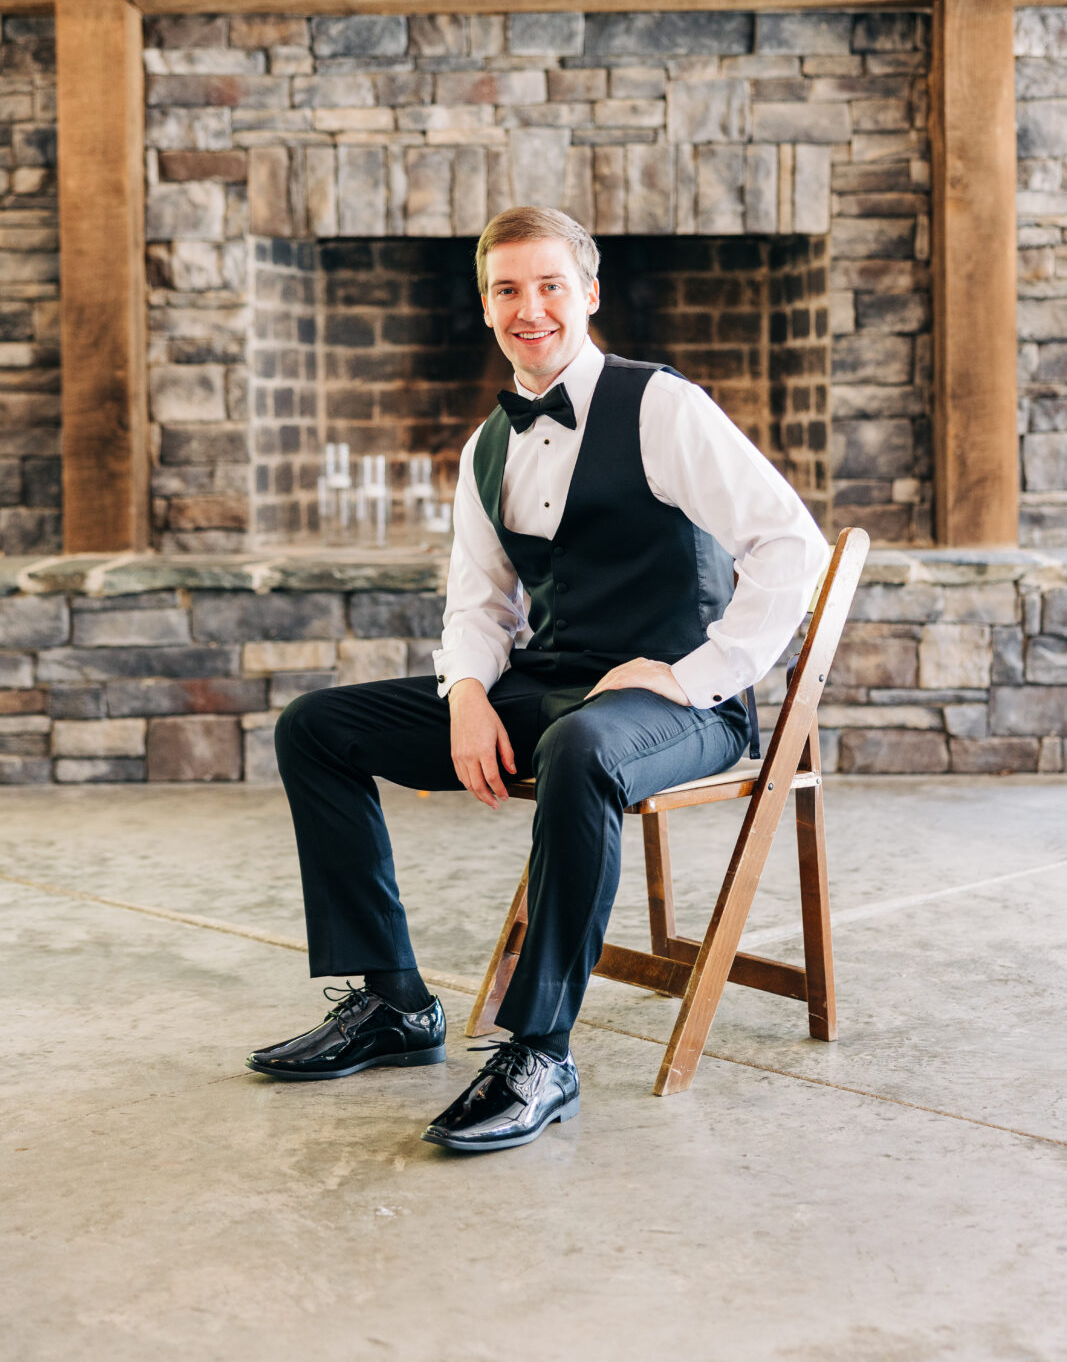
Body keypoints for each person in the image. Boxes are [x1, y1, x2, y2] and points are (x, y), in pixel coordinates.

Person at [247, 206, 830, 1154]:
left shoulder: (660, 406)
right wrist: (466, 695)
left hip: (683, 706)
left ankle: (542, 1052)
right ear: (485, 307)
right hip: (551, 683)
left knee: (580, 744)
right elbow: (478, 607)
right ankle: (395, 1003)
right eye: (508, 289)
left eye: (550, 284)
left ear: (589, 294)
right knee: (315, 726)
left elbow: (790, 546)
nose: (531, 307)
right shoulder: (487, 444)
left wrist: (699, 672)